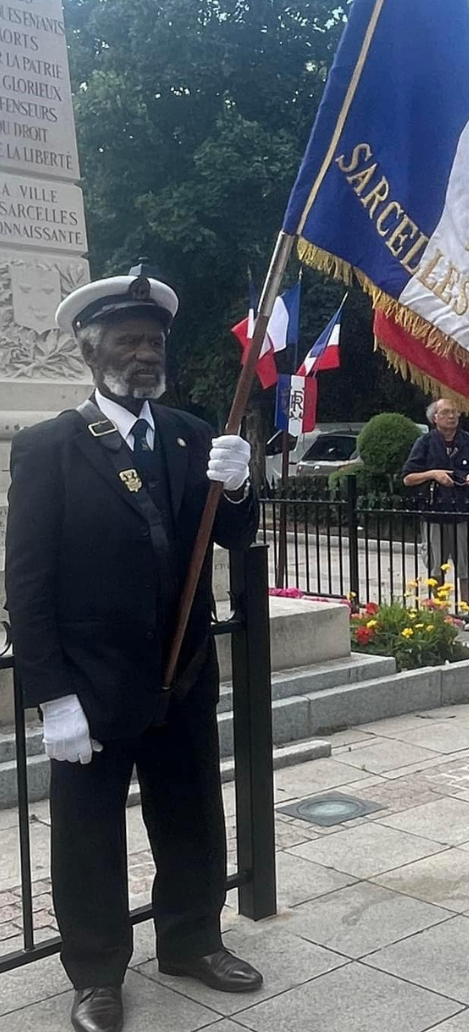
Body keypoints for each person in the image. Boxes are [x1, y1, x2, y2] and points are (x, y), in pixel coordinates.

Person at [4, 270, 264, 1032]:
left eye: (154, 340)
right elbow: (27, 581)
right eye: (129, 340)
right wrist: (51, 697)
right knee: (89, 839)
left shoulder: (189, 433)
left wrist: (242, 489)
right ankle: (95, 974)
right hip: (92, 687)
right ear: (93, 353)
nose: (146, 352)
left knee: (191, 816)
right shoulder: (50, 447)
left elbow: (235, 537)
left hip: (181, 675)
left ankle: (191, 941)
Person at [401, 399, 469, 628]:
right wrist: (433, 474)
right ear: (435, 418)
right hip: (434, 513)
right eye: (447, 412)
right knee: (435, 565)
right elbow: (408, 477)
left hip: (463, 510)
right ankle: (439, 613)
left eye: (455, 412)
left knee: (465, 564)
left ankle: (465, 612)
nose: (452, 416)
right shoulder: (426, 442)